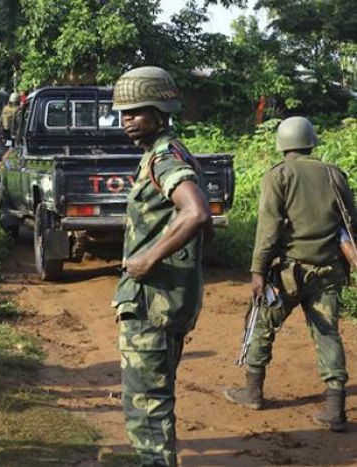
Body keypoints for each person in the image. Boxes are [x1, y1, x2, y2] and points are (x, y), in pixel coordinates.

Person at [224, 116, 353, 432]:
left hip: (289, 273)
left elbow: (268, 230)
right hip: (329, 271)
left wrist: (257, 271)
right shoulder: (334, 174)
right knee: (328, 334)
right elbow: (349, 221)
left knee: (262, 323)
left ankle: (253, 391)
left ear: (282, 144)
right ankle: (335, 409)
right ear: (311, 141)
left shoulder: (279, 176)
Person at [110, 66, 210, 466]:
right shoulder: (169, 153)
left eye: (136, 112)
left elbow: (196, 212)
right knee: (157, 399)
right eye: (123, 113)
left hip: (151, 302)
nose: (127, 120)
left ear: (160, 111)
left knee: (146, 411)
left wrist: (147, 259)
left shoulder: (165, 159)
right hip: (168, 298)